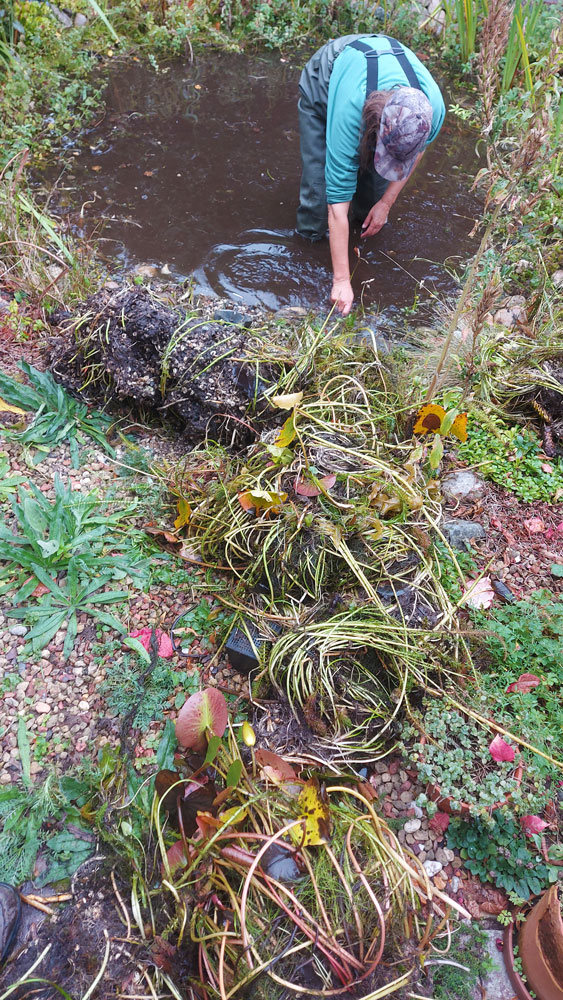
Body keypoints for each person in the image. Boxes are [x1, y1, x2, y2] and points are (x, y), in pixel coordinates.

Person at [296, 34, 446, 316]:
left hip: (374, 76)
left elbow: (418, 152)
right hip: (326, 81)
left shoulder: (431, 110)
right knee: (319, 201)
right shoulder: (350, 113)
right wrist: (341, 280)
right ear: (375, 130)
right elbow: (337, 207)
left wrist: (385, 204)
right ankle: (306, 242)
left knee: (370, 203)